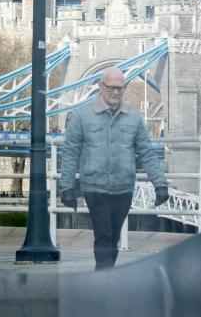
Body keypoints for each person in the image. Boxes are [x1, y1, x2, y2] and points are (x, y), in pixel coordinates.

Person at [58, 66, 169, 270]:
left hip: (123, 188)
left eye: (120, 88)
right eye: (111, 88)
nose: (116, 92)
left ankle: (105, 277)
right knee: (103, 235)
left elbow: (147, 153)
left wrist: (160, 184)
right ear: (101, 86)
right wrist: (66, 187)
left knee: (113, 238)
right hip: (94, 187)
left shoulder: (134, 118)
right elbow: (70, 153)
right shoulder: (81, 116)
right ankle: (105, 282)